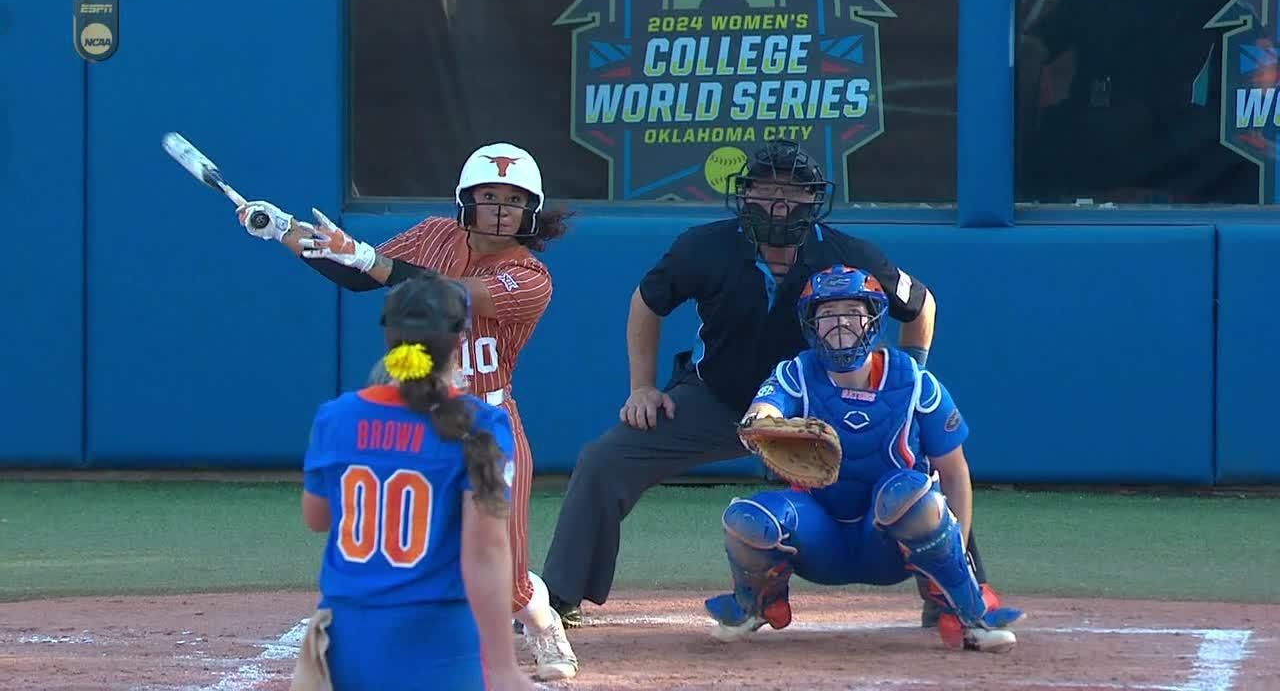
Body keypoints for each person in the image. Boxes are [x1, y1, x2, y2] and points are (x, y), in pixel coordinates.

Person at [539, 139, 1000, 629]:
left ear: (813, 200)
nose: (779, 204)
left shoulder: (847, 254)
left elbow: (921, 305)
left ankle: (957, 590)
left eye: (793, 193)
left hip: (820, 408)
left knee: (920, 463)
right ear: (745, 195)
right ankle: (562, 594)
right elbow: (646, 302)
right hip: (720, 399)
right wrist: (641, 388)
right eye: (766, 190)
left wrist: (907, 383)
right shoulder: (705, 246)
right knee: (604, 459)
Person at [235, 142, 577, 680]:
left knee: (503, 564)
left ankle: (540, 615)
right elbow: (355, 272)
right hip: (417, 416)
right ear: (464, 200)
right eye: (487, 196)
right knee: (423, 544)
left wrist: (370, 258)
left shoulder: (531, 278)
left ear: (532, 209)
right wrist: (284, 230)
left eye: (513, 199)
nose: (499, 209)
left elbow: (448, 295)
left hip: (489, 420)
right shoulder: (435, 234)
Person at [704, 264, 1024, 652]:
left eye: (852, 313)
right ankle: (754, 602)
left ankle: (965, 606)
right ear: (811, 324)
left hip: (887, 544)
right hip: (817, 538)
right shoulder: (796, 373)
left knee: (909, 493)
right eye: (827, 314)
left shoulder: (915, 382)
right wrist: (762, 422)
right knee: (746, 520)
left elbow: (954, 472)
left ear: (873, 319)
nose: (840, 324)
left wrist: (955, 550)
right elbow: (765, 409)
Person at [294, 273, 535, 689]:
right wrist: (503, 666)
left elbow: (318, 517)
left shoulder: (336, 416)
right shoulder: (482, 424)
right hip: (441, 642)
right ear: (459, 340)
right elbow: (487, 549)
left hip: (351, 638)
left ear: (389, 336)